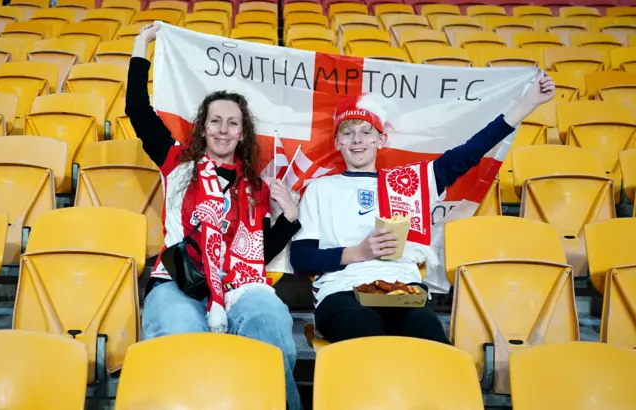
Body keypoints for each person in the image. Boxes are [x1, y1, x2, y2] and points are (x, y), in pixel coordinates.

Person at [290, 74, 555, 344]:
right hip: (341, 291)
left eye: (366, 131)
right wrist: (359, 252)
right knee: (363, 325)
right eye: (347, 133)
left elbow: (472, 150)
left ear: (380, 140)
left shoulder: (411, 182)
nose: (357, 139)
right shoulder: (320, 189)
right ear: (338, 143)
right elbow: (301, 258)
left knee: (426, 334)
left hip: (402, 290)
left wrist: (527, 104)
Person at [127, 24, 302, 410]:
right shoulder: (177, 164)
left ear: (242, 133)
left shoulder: (255, 186)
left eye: (232, 123)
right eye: (215, 121)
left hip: (240, 284)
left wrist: (288, 218)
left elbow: (258, 252)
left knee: (271, 326)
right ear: (203, 129)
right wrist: (142, 46)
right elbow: (137, 109)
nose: (223, 130)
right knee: (180, 336)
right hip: (179, 281)